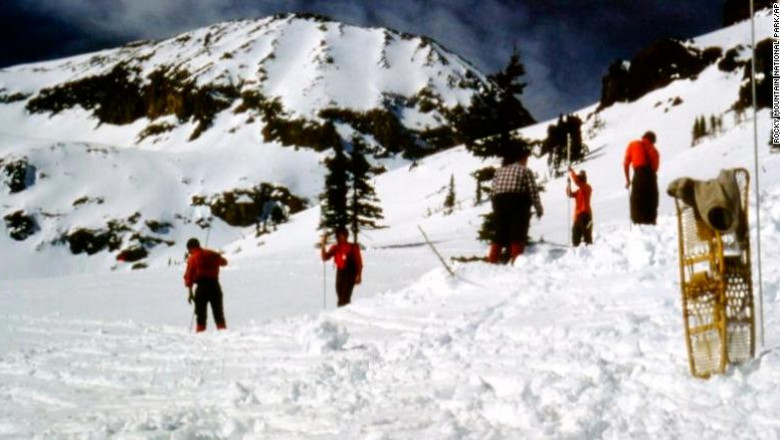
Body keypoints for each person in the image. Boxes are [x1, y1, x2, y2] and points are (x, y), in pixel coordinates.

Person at [488, 148, 543, 264]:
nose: (527, 161)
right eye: (526, 159)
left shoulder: (499, 171)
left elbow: (493, 191)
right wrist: (538, 208)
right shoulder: (525, 170)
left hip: (499, 201)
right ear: (521, 158)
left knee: (500, 231)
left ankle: (492, 259)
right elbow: (533, 191)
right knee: (518, 231)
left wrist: (495, 207)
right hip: (517, 201)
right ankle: (516, 260)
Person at [183, 238, 228, 332]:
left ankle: (200, 333)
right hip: (215, 286)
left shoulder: (193, 258)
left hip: (202, 288)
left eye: (189, 250)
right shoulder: (212, 254)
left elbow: (189, 276)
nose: (189, 252)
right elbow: (224, 262)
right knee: (218, 313)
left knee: (201, 314)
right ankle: (223, 332)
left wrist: (190, 293)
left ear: (191, 248)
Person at [624, 131, 660, 225]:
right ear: (652, 141)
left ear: (643, 137)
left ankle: (638, 222)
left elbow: (626, 163)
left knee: (637, 199)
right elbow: (655, 168)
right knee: (651, 199)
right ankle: (651, 221)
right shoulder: (655, 151)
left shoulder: (633, 144)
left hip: (639, 174)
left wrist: (628, 180)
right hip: (651, 177)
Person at [320, 228, 362, 307]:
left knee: (345, 296)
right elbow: (324, 258)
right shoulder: (335, 247)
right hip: (340, 272)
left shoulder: (353, 247)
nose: (339, 238)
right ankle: (342, 312)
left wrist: (359, 275)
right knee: (339, 294)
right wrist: (323, 244)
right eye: (338, 236)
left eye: (343, 235)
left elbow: (359, 263)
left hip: (350, 273)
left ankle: (343, 313)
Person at [566, 166, 593, 246]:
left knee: (587, 238)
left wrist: (571, 171)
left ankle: (589, 253)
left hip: (586, 216)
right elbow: (570, 194)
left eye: (581, 177)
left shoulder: (587, 188)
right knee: (575, 236)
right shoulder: (578, 191)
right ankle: (576, 252)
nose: (580, 179)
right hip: (578, 217)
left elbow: (577, 181)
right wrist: (569, 185)